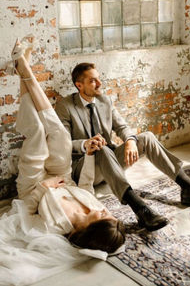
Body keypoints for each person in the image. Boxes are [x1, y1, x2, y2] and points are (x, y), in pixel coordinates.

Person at [55, 62, 190, 231]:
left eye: (99, 79)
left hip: (110, 159)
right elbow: (62, 143)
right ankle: (140, 209)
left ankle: (188, 187)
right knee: (102, 148)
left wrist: (130, 141)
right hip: (84, 167)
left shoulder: (104, 101)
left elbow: (122, 127)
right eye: (93, 81)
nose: (99, 84)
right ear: (79, 85)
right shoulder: (66, 106)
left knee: (146, 137)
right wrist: (86, 144)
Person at [9, 40, 125, 254]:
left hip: (34, 185)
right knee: (59, 132)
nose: (103, 209)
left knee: (36, 130)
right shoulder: (96, 207)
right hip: (63, 174)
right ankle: (23, 68)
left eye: (104, 215)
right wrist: (89, 155)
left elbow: (23, 212)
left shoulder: (57, 228)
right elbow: (87, 185)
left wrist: (45, 187)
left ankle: (23, 67)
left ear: (93, 227)